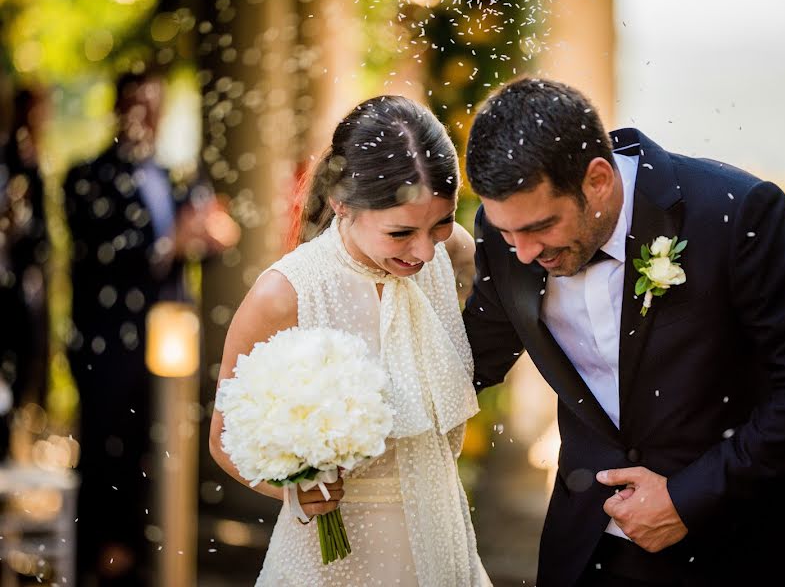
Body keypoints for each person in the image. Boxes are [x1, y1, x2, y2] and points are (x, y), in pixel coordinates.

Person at [462, 77, 785, 586]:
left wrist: (687, 498)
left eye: (541, 227)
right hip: (591, 555)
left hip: (745, 547)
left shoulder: (737, 211)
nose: (523, 252)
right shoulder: (510, 240)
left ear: (598, 180)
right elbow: (468, 361)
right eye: (505, 232)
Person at [209, 95, 491, 586]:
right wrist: (293, 490)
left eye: (440, 223)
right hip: (335, 565)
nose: (424, 251)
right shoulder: (287, 294)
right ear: (342, 202)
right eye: (401, 232)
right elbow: (223, 438)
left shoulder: (453, 254)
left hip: (442, 547)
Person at [63, 70, 238, 586]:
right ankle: (100, 562)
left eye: (155, 107)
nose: (147, 117)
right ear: (118, 109)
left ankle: (148, 559)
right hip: (108, 346)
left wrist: (212, 234)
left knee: (156, 455)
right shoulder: (86, 176)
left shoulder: (175, 175)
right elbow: (99, 256)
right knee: (105, 454)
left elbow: (206, 235)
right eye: (137, 105)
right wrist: (169, 247)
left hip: (169, 347)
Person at [0, 87, 50, 459]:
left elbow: (42, 238)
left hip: (25, 298)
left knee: (24, 379)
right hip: (8, 300)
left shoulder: (32, 168)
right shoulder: (11, 164)